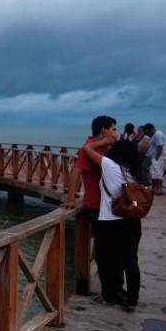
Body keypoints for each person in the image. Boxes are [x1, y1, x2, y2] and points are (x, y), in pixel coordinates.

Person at [81, 138, 144, 312]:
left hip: (110, 221)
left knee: (107, 260)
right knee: (131, 261)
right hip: (132, 221)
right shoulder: (134, 172)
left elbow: (87, 149)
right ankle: (132, 300)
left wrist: (103, 141)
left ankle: (109, 296)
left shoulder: (110, 166)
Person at [63, 116, 117, 294]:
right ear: (103, 130)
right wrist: (70, 199)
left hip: (109, 205)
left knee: (110, 248)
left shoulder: (103, 147)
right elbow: (76, 171)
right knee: (104, 249)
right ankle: (106, 291)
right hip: (97, 205)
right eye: (113, 129)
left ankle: (111, 288)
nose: (115, 132)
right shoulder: (88, 149)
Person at [143, 123, 166, 195]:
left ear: (151, 129)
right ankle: (156, 188)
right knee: (155, 173)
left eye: (147, 132)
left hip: (159, 157)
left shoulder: (158, 134)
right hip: (155, 157)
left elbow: (160, 146)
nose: (148, 134)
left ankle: (159, 189)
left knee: (158, 173)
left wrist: (156, 157)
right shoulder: (155, 135)